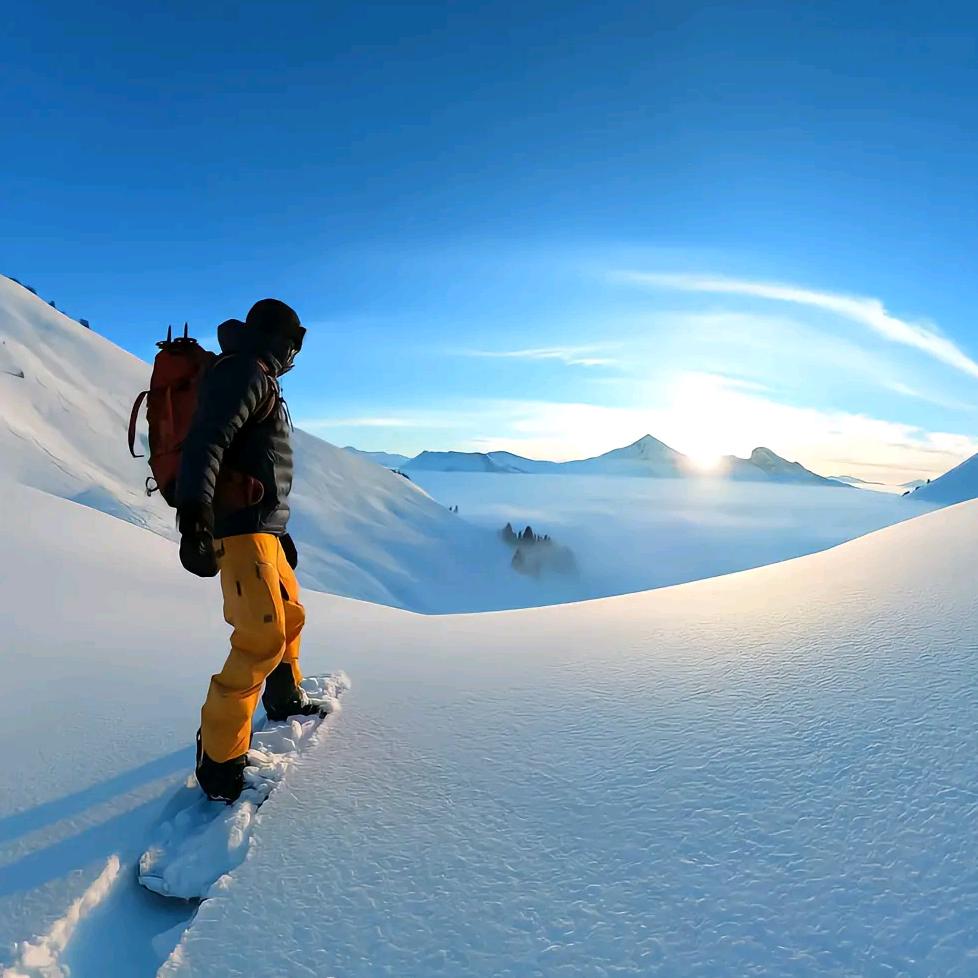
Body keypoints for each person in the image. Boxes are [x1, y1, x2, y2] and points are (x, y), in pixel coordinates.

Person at [176, 298, 320, 803]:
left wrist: (278, 531)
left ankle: (284, 698)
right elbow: (206, 442)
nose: (294, 356)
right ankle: (219, 763)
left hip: (262, 529)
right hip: (237, 532)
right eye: (293, 344)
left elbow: (257, 460)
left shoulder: (259, 375)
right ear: (279, 339)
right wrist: (194, 516)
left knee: (290, 615)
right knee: (259, 639)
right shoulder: (244, 373)